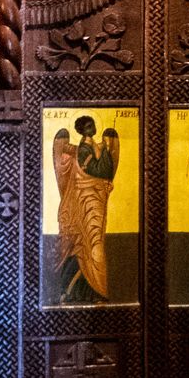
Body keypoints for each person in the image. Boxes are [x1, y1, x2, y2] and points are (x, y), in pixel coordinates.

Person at [51, 115, 120, 304]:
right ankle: (71, 292)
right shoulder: (82, 150)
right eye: (89, 126)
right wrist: (106, 151)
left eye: (93, 125)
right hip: (84, 204)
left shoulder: (94, 146)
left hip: (96, 203)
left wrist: (104, 149)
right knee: (84, 246)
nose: (93, 128)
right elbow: (98, 171)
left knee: (96, 247)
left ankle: (95, 292)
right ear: (82, 130)